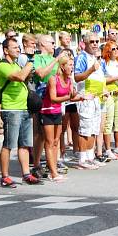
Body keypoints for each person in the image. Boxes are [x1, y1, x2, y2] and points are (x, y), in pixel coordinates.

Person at [0, 37, 39, 187]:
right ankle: (5, 176)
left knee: (25, 144)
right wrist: (31, 61)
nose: (18, 50)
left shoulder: (15, 64)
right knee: (8, 144)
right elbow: (20, 77)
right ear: (6, 50)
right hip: (11, 109)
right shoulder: (2, 66)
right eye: (14, 47)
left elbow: (25, 78)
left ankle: (26, 174)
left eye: (18, 47)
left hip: (24, 108)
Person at [42, 53, 81, 182]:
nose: (72, 67)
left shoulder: (69, 80)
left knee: (55, 141)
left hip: (58, 112)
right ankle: (53, 173)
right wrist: (69, 97)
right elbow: (53, 99)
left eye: (72, 65)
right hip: (48, 111)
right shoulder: (54, 79)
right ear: (63, 66)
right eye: (70, 65)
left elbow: (72, 96)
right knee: (49, 142)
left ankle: (53, 168)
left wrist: (82, 97)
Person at [31, 35, 65, 179]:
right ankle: (37, 164)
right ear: (43, 44)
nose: (54, 45)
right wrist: (56, 60)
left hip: (54, 101)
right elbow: (41, 73)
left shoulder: (53, 60)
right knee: (39, 134)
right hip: (40, 100)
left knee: (52, 136)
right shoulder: (37, 58)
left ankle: (53, 164)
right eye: (52, 42)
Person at [73, 33, 105, 169]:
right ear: (85, 43)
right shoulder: (82, 57)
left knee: (94, 128)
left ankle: (90, 156)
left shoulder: (97, 58)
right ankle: (82, 158)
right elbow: (77, 77)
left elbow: (101, 78)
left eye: (97, 41)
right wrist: (91, 69)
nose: (95, 44)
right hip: (85, 97)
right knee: (85, 128)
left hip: (97, 98)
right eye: (92, 41)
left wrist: (104, 89)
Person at [100, 41, 118, 159]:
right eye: (113, 49)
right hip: (109, 94)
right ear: (107, 51)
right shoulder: (103, 63)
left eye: (117, 48)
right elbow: (102, 79)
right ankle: (107, 149)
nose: (116, 51)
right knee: (108, 122)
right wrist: (116, 78)